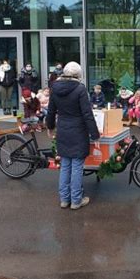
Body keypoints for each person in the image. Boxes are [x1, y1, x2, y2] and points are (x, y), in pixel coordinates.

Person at [46, 61, 100, 210]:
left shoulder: (54, 88)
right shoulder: (80, 89)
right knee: (76, 166)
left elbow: (51, 111)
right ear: (78, 75)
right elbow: (87, 114)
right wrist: (95, 135)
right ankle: (76, 200)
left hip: (63, 130)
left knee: (65, 165)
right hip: (78, 131)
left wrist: (50, 127)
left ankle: (64, 199)